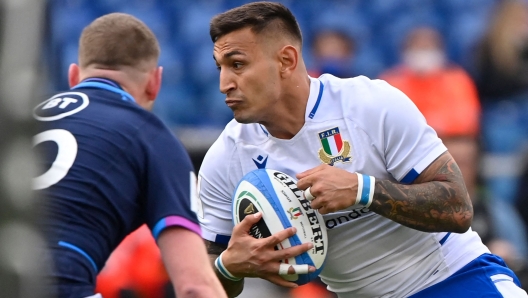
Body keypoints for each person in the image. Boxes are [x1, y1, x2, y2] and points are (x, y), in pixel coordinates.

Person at [196, 2, 528, 297]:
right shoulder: (225, 159)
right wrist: (229, 266)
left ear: (286, 60)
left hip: (454, 279)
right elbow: (202, 282)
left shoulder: (370, 104)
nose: (225, 82)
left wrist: (362, 190)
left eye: (237, 64)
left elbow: (457, 208)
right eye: (219, 67)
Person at [33, 13, 226, 298]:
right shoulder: (152, 137)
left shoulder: (20, 122)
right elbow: (194, 287)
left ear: (73, 76)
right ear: (155, 83)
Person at [381, 26, 527, 271]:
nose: (423, 53)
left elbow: (466, 122)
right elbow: (389, 134)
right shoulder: (390, 83)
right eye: (418, 47)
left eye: (428, 46)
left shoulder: (457, 79)